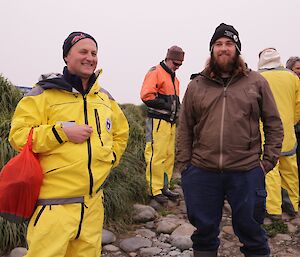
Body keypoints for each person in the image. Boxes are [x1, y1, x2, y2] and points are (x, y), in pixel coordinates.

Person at [9, 31, 129, 257]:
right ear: (66, 56)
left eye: (94, 53)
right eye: (83, 51)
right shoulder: (43, 93)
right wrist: (62, 132)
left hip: (93, 205)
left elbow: (122, 133)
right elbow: (18, 136)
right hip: (53, 205)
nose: (90, 57)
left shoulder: (104, 97)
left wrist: (110, 158)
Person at [176, 23, 283, 257]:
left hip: (246, 171)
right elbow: (184, 127)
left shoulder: (256, 82)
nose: (223, 48)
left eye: (229, 44)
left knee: (252, 232)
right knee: (203, 233)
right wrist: (186, 166)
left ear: (237, 49)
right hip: (202, 171)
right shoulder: (196, 85)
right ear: (212, 50)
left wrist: (266, 162)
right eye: (218, 44)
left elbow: (274, 123)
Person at [258, 49, 300, 218]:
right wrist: (291, 122)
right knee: (290, 168)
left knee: (271, 169)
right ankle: (293, 205)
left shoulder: (257, 78)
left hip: (265, 132)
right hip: (288, 132)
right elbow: (298, 106)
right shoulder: (292, 78)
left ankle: (273, 209)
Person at [140, 45, 184, 203]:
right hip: (157, 121)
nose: (177, 67)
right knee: (155, 155)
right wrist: (168, 105)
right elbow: (146, 96)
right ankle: (154, 189)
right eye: (175, 63)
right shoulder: (155, 72)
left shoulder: (175, 79)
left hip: (170, 123)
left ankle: (165, 187)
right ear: (168, 58)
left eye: (180, 64)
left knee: (168, 156)